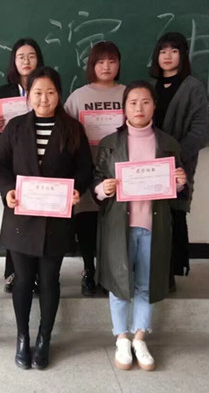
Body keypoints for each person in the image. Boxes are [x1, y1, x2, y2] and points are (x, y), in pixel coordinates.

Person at [0, 66, 93, 370]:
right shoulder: (15, 127)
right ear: (28, 95)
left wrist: (77, 189)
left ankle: (44, 338)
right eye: (37, 92)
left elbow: (84, 168)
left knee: (49, 279)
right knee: (23, 280)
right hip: (21, 217)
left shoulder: (72, 128)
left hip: (55, 218)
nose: (43, 98)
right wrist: (8, 190)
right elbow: (0, 165)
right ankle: (22, 337)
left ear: (59, 94)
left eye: (50, 92)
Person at [93, 80, 187, 371]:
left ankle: (140, 337)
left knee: (147, 283)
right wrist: (103, 188)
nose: (139, 108)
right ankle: (121, 337)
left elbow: (177, 190)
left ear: (154, 106)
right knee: (119, 283)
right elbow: (95, 182)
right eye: (133, 102)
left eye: (145, 102)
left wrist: (180, 183)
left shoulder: (168, 144)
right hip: (119, 226)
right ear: (124, 108)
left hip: (153, 226)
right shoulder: (110, 143)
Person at [149, 32, 209, 285]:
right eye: (163, 51)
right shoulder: (150, 86)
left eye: (174, 51)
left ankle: (170, 274)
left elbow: (202, 130)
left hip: (178, 166)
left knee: (174, 215)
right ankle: (152, 271)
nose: (167, 56)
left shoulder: (192, 86)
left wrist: (173, 158)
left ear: (183, 55)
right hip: (148, 166)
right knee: (150, 217)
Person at [64, 41, 126, 296]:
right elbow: (64, 130)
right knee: (87, 222)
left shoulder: (127, 93)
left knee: (114, 224)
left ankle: (111, 272)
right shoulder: (79, 97)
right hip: (86, 170)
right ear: (92, 65)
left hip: (120, 173)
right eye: (100, 61)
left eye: (112, 61)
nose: (106, 66)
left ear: (119, 64)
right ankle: (89, 270)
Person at [0, 38, 45, 293]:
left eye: (31, 56)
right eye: (21, 56)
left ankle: (36, 274)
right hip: (12, 161)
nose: (26, 61)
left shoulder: (46, 87)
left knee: (39, 219)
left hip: (40, 161)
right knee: (14, 218)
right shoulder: (3, 91)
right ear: (14, 61)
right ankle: (13, 273)